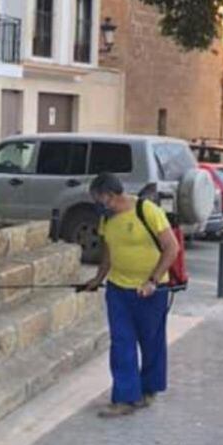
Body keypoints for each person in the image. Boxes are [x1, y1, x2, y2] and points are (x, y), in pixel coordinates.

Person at [83, 172, 180, 418]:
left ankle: (149, 388)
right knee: (121, 342)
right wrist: (98, 278)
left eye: (98, 198)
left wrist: (152, 281)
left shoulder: (146, 211)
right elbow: (108, 253)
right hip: (118, 289)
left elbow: (172, 248)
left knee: (151, 341)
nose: (96, 204)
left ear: (111, 195)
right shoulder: (107, 219)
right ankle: (125, 397)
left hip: (151, 291)